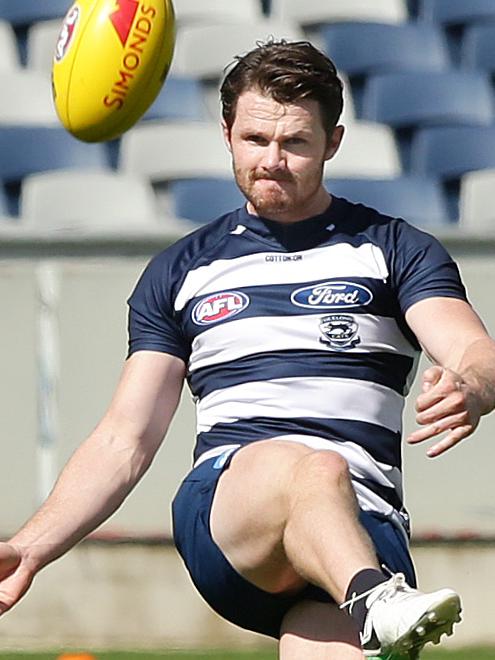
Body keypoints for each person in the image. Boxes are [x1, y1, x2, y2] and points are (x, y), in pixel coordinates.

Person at [0, 40, 494, 658]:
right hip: (232, 517)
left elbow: (472, 348)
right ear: (227, 133)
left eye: (296, 143)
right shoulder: (181, 270)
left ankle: (368, 598)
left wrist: (474, 384)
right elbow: (124, 438)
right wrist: (33, 545)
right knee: (313, 465)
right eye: (255, 140)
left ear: (333, 143)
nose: (273, 161)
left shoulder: (394, 249)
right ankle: (375, 599)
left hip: (362, 526)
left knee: (328, 495)